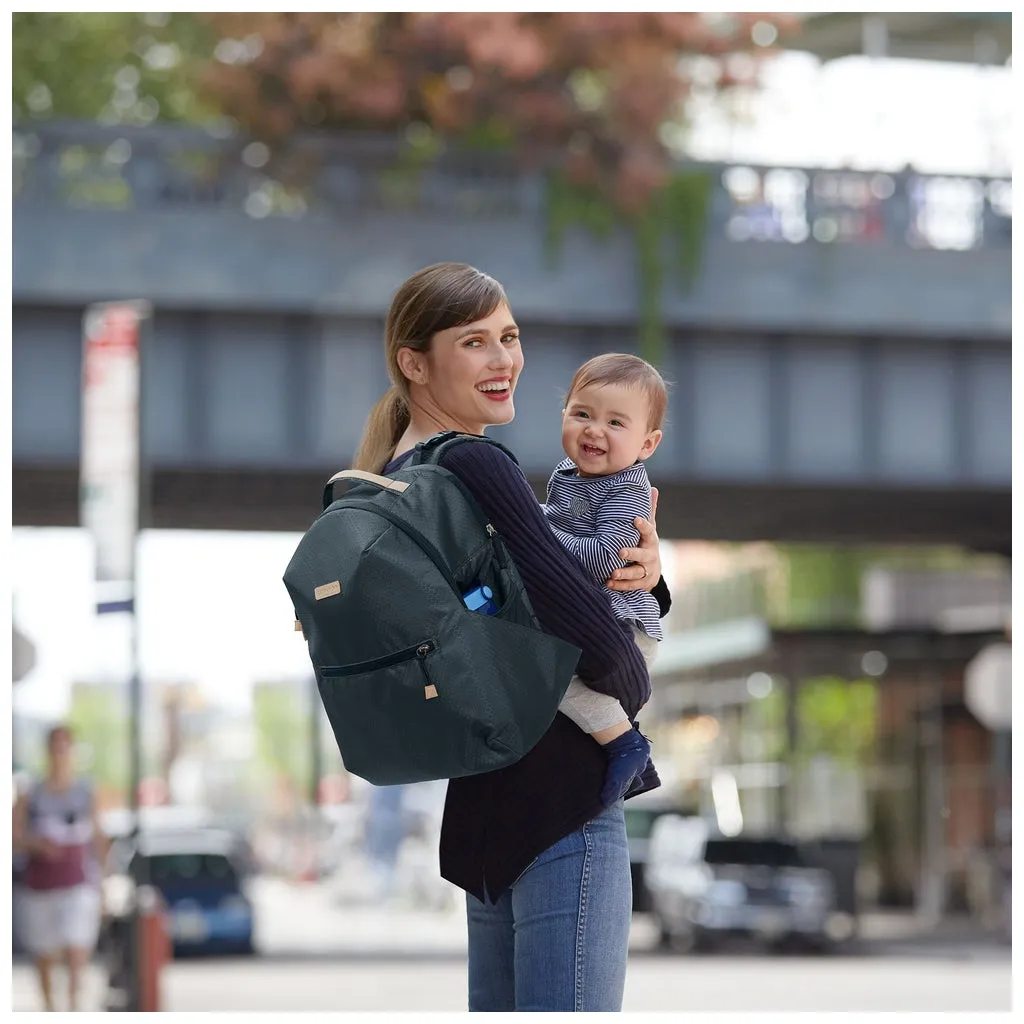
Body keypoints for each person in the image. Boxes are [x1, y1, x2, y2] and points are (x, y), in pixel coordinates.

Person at [351, 262, 670, 1011]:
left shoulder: (395, 475)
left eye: (511, 337)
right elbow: (584, 633)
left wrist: (649, 582)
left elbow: (512, 606)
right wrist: (631, 687)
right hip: (561, 802)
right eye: (476, 342)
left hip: (485, 810)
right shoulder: (475, 463)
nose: (505, 361)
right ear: (415, 362)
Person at [543, 353, 666, 809]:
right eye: (582, 414)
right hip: (597, 620)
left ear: (647, 444)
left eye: (616, 423)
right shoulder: (567, 475)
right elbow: (554, 521)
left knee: (552, 674)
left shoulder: (627, 487)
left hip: (623, 625)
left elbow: (605, 557)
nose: (594, 430)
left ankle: (625, 744)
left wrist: (534, 532)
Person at [13, 724, 106, 1012]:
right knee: (45, 955)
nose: (60, 753)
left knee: (77, 948)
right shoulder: (31, 794)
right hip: (41, 887)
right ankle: (50, 1009)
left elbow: (99, 837)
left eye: (65, 747)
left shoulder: (87, 792)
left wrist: (103, 879)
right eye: (55, 747)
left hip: (77, 883)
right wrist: (36, 845)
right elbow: (13, 836)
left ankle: (74, 1009)